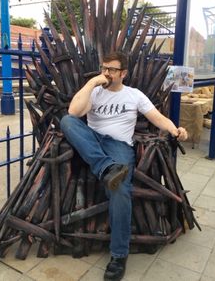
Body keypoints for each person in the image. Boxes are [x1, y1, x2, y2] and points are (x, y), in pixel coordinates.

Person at [60, 51, 188, 281]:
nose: (107, 73)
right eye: (104, 68)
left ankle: (119, 255)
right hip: (93, 141)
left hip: (119, 146)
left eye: (112, 69)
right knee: (67, 121)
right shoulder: (95, 91)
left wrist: (175, 129)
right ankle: (107, 168)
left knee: (120, 190)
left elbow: (157, 118)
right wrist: (91, 83)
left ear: (124, 73)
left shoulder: (134, 95)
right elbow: (73, 112)